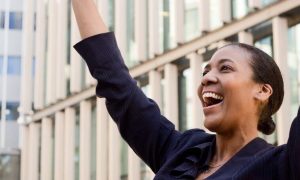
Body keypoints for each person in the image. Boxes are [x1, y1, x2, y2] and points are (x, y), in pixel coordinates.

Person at [72, 0, 299, 179]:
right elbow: (116, 81)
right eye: (205, 72)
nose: (208, 78)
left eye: (226, 68)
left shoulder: (281, 166)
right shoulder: (181, 151)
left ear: (262, 91)